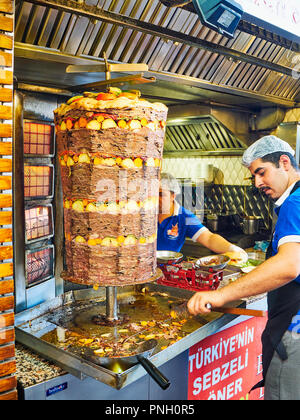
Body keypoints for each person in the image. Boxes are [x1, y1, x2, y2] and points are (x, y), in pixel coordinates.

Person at [187, 135, 300, 400]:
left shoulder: (294, 203)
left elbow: (289, 266)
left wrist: (220, 295)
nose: (258, 183)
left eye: (262, 173)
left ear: (284, 163)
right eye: (254, 176)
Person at [157, 172, 247, 259]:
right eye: (153, 194)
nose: (156, 198)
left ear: (173, 195)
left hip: (168, 270)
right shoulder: (144, 214)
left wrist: (233, 249)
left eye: (161, 194)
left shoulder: (185, 217)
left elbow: (209, 238)